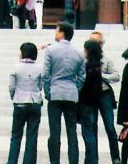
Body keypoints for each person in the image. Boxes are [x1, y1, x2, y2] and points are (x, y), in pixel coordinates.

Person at [42, 21, 86, 164]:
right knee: (72, 132)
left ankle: (55, 161)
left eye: (56, 30)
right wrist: (76, 88)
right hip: (71, 92)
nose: (55, 33)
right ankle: (73, 161)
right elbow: (82, 76)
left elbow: (45, 74)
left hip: (55, 91)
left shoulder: (51, 51)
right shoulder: (79, 53)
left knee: (54, 132)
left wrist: (48, 91)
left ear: (62, 33)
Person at [9, 41, 46, 164]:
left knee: (16, 136)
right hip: (35, 102)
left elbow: (11, 87)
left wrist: (14, 97)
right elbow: (41, 85)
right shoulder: (40, 67)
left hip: (20, 101)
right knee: (32, 136)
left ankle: (12, 161)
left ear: (23, 53)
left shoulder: (16, 67)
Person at [89, 31, 122, 164]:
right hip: (90, 95)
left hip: (104, 94)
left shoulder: (106, 60)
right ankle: (93, 157)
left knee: (110, 127)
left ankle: (115, 157)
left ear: (101, 44)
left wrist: (102, 75)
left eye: (96, 42)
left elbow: (116, 76)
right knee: (91, 127)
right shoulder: (85, 59)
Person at [78, 39, 104, 164]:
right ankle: (91, 159)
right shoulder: (97, 64)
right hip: (94, 102)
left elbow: (83, 83)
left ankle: (91, 160)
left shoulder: (87, 65)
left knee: (87, 133)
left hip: (86, 101)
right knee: (91, 132)